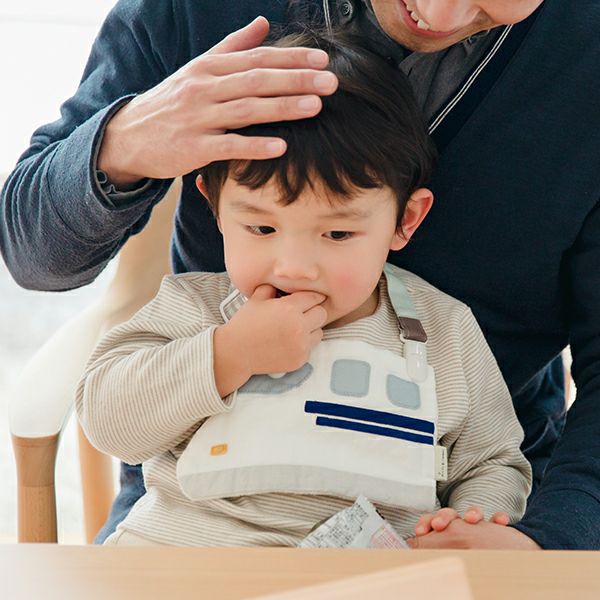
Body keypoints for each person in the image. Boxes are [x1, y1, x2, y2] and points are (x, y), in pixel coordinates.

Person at [1, 0, 598, 550]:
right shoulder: (196, 309)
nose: (294, 267)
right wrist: (125, 144)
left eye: (337, 234)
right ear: (214, 204)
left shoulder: (445, 333)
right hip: (185, 543)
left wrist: (485, 526)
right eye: (262, 227)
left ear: (406, 220)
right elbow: (109, 416)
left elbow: (492, 462)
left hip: (389, 562)